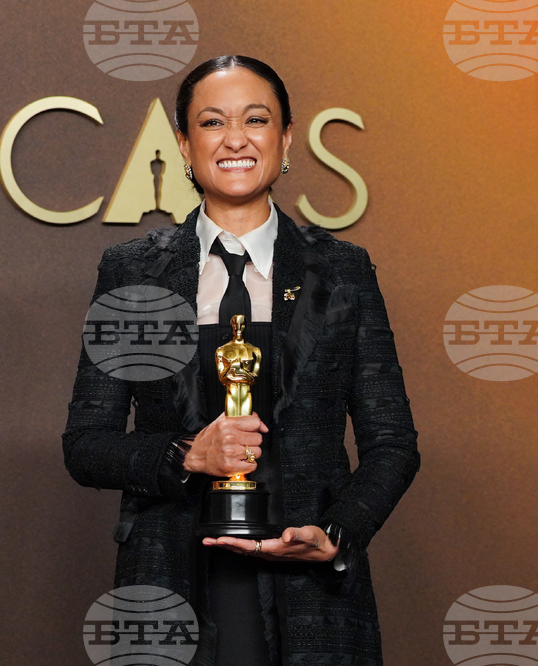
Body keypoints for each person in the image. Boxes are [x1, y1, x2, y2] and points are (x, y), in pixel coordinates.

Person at [63, 55, 420, 665]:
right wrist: (185, 454)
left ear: (284, 139)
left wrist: (335, 536)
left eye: (256, 119)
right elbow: (86, 445)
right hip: (170, 579)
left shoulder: (341, 270)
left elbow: (393, 443)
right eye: (211, 123)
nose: (235, 139)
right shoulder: (134, 272)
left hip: (310, 591)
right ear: (184, 143)